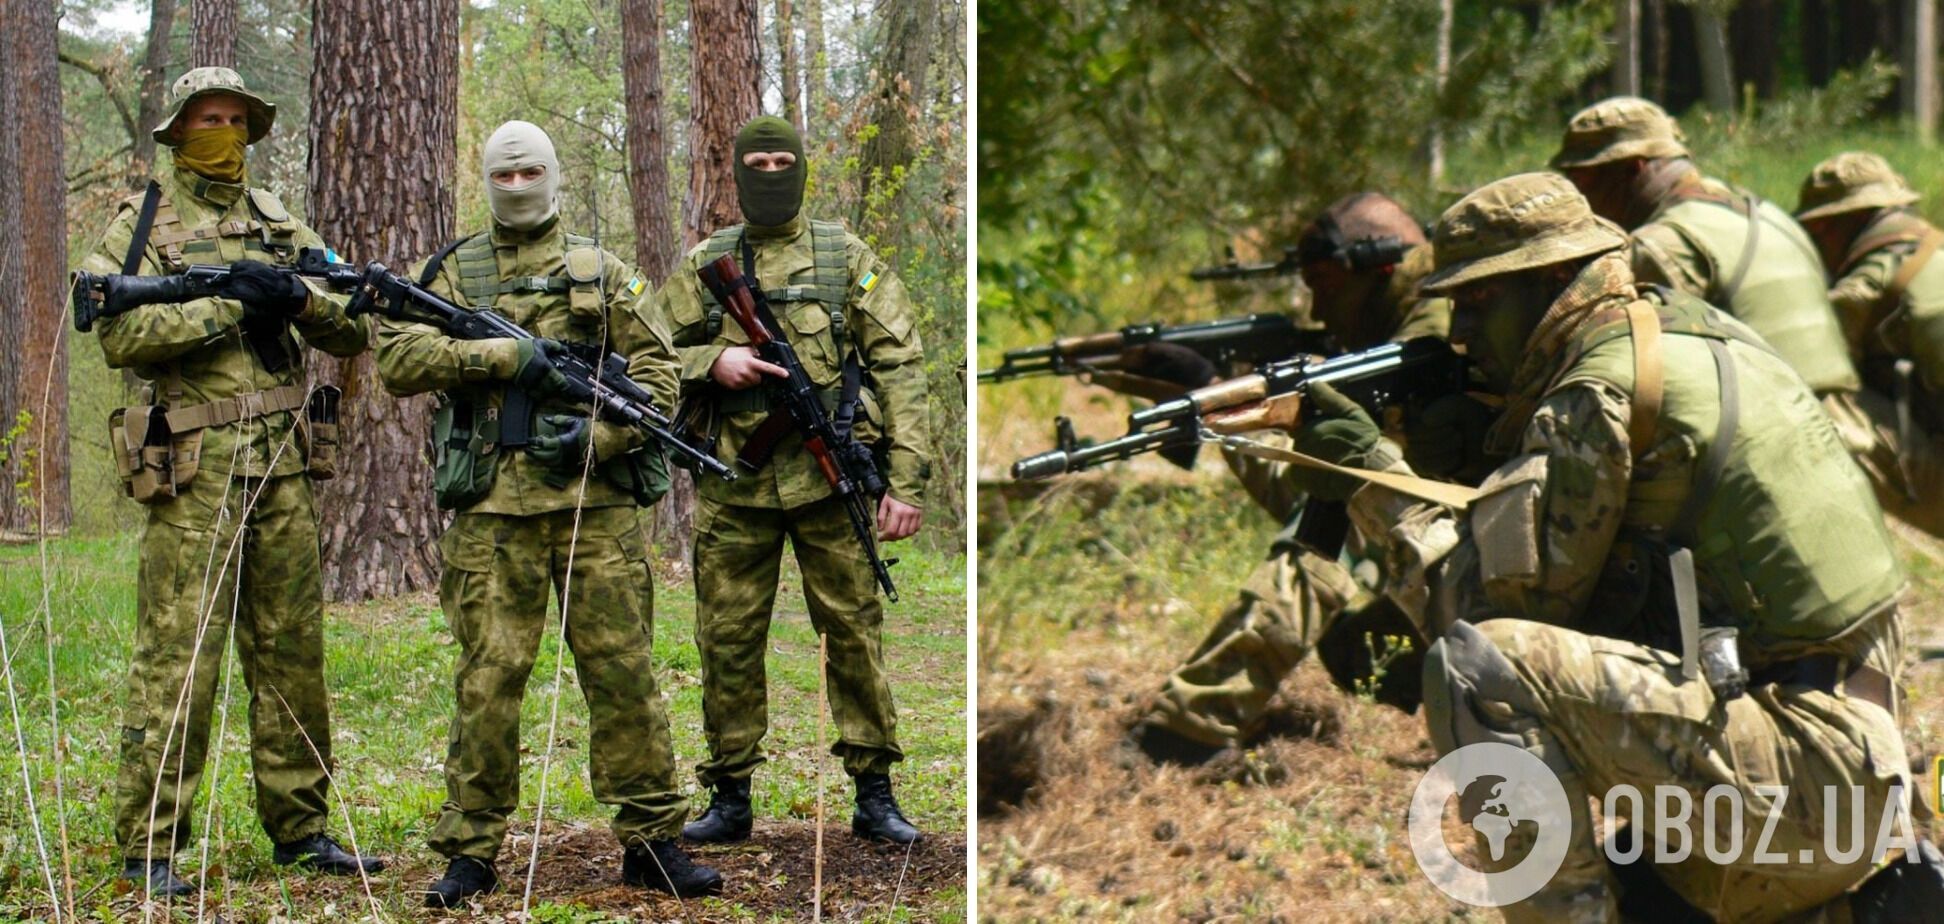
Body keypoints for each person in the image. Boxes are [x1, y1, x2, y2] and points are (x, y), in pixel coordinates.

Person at [1294, 171, 1937, 921]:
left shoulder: (1596, 394)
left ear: (1554, 280)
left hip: (1802, 786)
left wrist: (1374, 480)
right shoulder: (1695, 333)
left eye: (1476, 302)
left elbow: (1473, 612)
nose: (1460, 333)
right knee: (1646, 896)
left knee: (1477, 669)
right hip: (1859, 767)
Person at [373, 120, 721, 906]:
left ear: (554, 176)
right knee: (487, 682)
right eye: (506, 175)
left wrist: (601, 436)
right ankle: (471, 852)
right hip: (492, 516)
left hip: (594, 514)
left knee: (623, 674)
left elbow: (662, 377)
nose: (520, 186)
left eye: (532, 172)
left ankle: (652, 841)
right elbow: (396, 357)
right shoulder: (453, 274)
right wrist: (496, 357)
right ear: (488, 182)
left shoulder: (603, 272)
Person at [76, 66, 380, 899]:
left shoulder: (281, 222)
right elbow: (118, 332)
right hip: (192, 470)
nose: (224, 132)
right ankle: (150, 847)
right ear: (177, 133)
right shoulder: (141, 223)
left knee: (292, 657)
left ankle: (303, 829)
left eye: (237, 119)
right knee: (179, 660)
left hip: (282, 463)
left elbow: (354, 325)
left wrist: (297, 302)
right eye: (208, 119)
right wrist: (229, 309)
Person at [1124, 192, 1477, 764]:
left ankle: (1191, 727)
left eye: (1326, 283)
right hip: (1487, 577)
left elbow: (1335, 498)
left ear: (1380, 265)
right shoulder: (1429, 314)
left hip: (1509, 590)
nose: (1317, 308)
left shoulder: (1428, 337)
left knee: (1326, 526)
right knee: (1352, 644)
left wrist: (1223, 404)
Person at [658, 115, 932, 846]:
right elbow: (643, 352)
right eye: (760, 161)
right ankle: (730, 792)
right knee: (726, 638)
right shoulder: (706, 263)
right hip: (735, 483)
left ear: (803, 168)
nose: (772, 172)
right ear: (739, 172)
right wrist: (711, 362)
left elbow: (901, 367)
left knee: (853, 632)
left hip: (829, 482)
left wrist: (905, 481)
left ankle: (875, 792)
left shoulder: (845, 257)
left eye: (785, 160)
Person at [1550, 96, 1902, 496]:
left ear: (1633, 169)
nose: (1578, 198)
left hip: (1773, 453)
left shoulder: (1664, 245)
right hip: (1846, 435)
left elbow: (1619, 369)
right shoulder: (1768, 214)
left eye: (1583, 180)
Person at [1795, 151, 1944, 534]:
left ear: (1830, 226)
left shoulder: (1864, 290)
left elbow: (1802, 375)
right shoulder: (1934, 253)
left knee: (1809, 413)